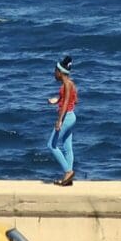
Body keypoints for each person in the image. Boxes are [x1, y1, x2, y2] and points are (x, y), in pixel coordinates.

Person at [47, 55, 78, 186]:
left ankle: (68, 171)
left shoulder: (66, 84)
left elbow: (66, 102)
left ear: (60, 73)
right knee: (67, 147)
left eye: (55, 71)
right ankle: (67, 179)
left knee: (51, 145)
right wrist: (57, 100)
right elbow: (73, 100)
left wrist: (59, 120)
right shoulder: (70, 83)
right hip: (71, 116)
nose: (54, 73)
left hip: (66, 117)